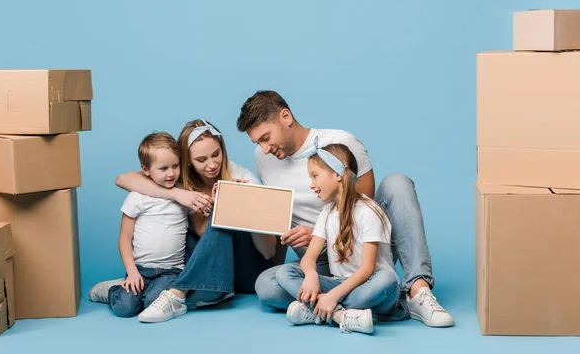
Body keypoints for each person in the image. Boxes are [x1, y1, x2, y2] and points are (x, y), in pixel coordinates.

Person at [237, 90, 453, 327]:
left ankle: (417, 291)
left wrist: (326, 232)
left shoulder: (340, 142)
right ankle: (341, 311)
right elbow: (277, 214)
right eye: (258, 142)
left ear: (285, 117)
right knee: (266, 285)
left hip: (361, 247)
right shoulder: (263, 158)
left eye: (266, 138)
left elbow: (363, 204)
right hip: (319, 261)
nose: (264, 148)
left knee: (397, 183)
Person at [91, 119, 277, 322]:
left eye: (216, 154)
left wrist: (239, 204)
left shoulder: (241, 176)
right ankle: (140, 285)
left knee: (222, 217)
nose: (212, 164)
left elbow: (269, 251)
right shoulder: (180, 178)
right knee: (178, 226)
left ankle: (178, 293)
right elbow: (123, 179)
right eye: (201, 159)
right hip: (209, 265)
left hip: (245, 271)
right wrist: (178, 195)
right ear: (187, 161)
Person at [277, 141, 404, 335]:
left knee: (387, 280)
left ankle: (317, 310)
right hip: (339, 283)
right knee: (284, 273)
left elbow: (367, 270)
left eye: (315, 176)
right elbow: (308, 259)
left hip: (371, 288)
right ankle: (340, 316)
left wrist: (333, 295)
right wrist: (311, 275)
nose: (311, 185)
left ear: (337, 175)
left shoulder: (369, 211)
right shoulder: (327, 213)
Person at [88, 132, 187, 318]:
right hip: (141, 268)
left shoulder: (184, 195)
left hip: (171, 270)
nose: (171, 173)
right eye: (163, 168)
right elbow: (124, 239)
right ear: (145, 169)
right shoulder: (137, 197)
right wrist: (132, 272)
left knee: (153, 303)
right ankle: (113, 290)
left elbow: (202, 213)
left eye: (175, 166)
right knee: (124, 308)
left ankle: (139, 291)